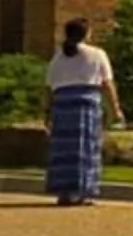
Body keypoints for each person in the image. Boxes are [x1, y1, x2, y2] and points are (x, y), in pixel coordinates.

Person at [45, 18, 123, 206]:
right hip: (86, 103)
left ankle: (64, 191)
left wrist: (46, 111)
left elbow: (49, 87)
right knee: (85, 148)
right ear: (87, 34)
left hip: (62, 104)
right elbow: (106, 84)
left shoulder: (58, 57)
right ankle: (81, 190)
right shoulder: (97, 54)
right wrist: (115, 109)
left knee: (63, 149)